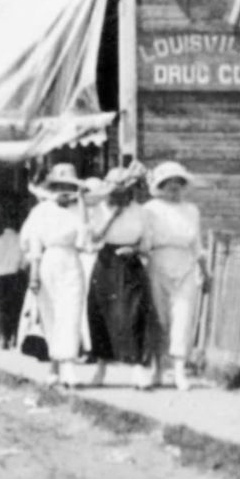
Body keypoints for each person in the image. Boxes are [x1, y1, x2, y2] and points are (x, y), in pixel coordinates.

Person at [21, 163, 92, 388]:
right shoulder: (41, 211)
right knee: (50, 314)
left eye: (68, 186)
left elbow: (84, 244)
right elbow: (33, 243)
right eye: (59, 186)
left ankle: (68, 366)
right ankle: (53, 366)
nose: (63, 191)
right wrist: (34, 274)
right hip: (48, 262)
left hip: (71, 262)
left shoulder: (77, 212)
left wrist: (82, 209)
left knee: (71, 313)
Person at [86, 162, 156, 389]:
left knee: (133, 315)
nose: (117, 195)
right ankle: (101, 369)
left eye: (122, 192)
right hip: (106, 262)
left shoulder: (141, 212)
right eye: (113, 192)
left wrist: (134, 250)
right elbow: (93, 239)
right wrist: (112, 216)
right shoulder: (100, 209)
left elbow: (147, 244)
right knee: (101, 313)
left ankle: (137, 370)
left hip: (130, 264)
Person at [143, 160, 210, 390]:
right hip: (158, 262)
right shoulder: (150, 209)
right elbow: (144, 240)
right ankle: (157, 370)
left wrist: (205, 272)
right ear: (160, 186)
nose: (173, 189)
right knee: (158, 318)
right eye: (168, 184)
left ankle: (180, 371)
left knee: (183, 316)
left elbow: (197, 244)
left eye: (177, 184)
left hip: (185, 265)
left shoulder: (191, 210)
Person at [0, 208, 30, 351]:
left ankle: (4, 337)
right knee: (16, 308)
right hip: (16, 276)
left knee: (2, 309)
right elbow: (25, 262)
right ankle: (16, 336)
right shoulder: (21, 240)